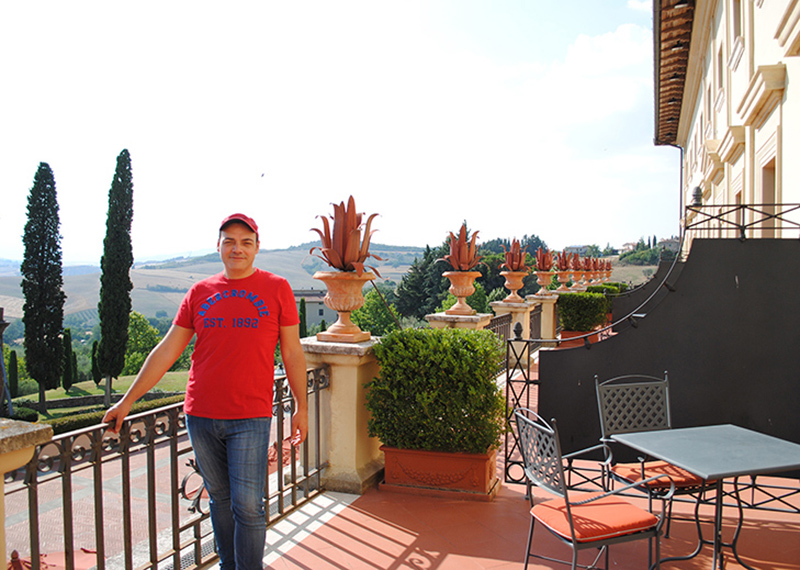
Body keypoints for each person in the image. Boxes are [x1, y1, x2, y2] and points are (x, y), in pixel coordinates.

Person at [103, 213, 308, 570]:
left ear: (257, 248)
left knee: (247, 504)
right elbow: (167, 350)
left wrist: (301, 407)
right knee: (220, 499)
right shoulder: (200, 292)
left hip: (250, 415)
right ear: (218, 247)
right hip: (200, 415)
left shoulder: (277, 288)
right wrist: (126, 401)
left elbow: (292, 352)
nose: (237, 248)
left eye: (245, 242)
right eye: (229, 241)